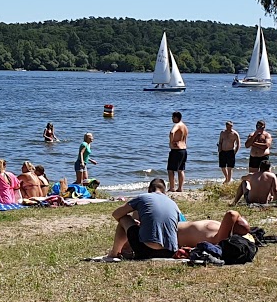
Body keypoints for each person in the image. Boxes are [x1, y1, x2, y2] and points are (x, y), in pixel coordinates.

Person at [95, 179, 252, 260]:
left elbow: (231, 214)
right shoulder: (173, 204)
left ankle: (115, 253)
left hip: (153, 247)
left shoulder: (221, 238)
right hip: (169, 248)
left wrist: (239, 221)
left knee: (126, 219)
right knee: (144, 224)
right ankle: (125, 248)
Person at [167, 111, 189, 192]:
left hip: (176, 150)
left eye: (173, 117)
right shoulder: (185, 127)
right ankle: (180, 188)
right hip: (183, 150)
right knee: (181, 170)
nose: (172, 119)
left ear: (176, 117)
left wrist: (171, 142)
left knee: (170, 169)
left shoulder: (178, 125)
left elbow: (172, 132)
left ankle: (172, 187)